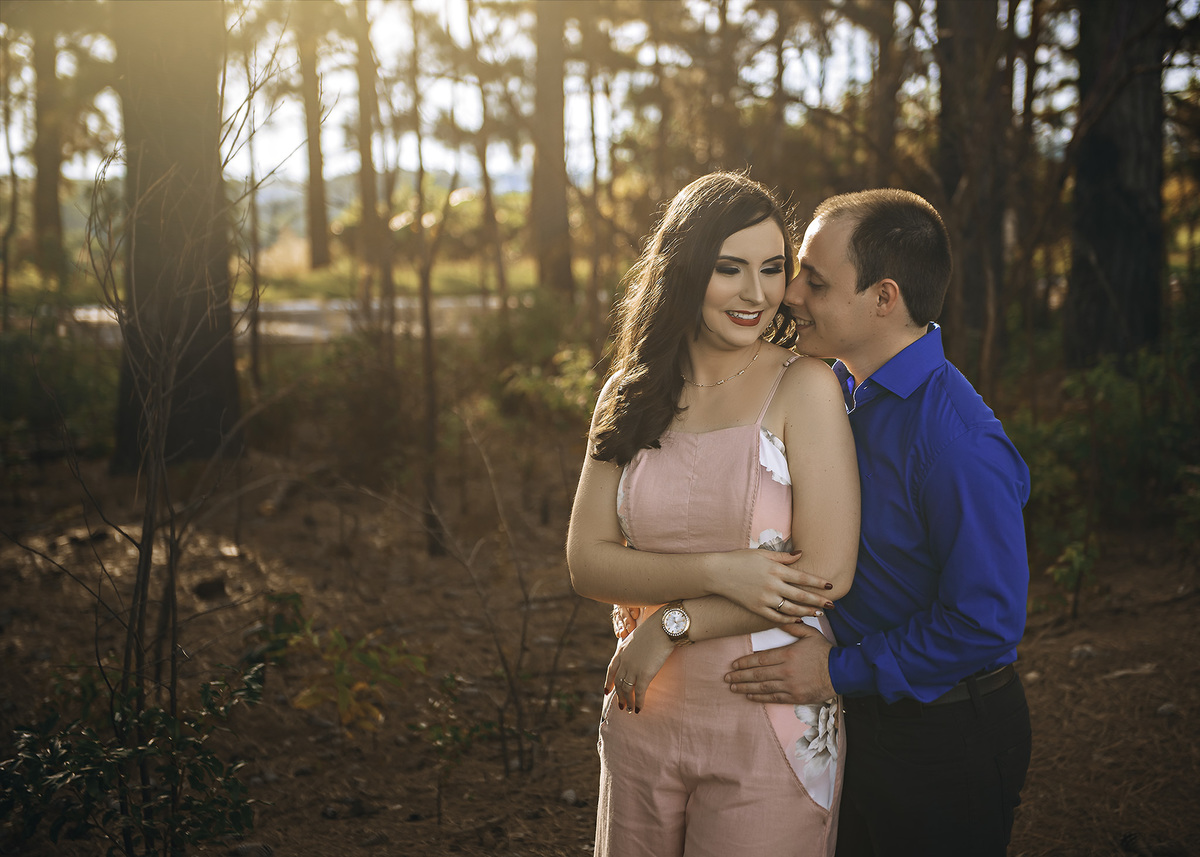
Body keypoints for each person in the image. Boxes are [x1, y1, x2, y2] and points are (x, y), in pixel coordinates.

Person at [724, 188, 1033, 857]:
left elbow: (986, 621)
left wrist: (837, 671)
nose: (791, 294)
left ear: (883, 298)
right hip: (856, 720)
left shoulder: (957, 443)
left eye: (816, 282)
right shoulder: (830, 389)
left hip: (943, 737)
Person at [566, 171, 860, 857]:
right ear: (685, 270)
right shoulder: (630, 392)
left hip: (770, 721)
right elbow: (587, 560)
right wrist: (720, 571)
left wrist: (672, 623)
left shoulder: (804, 386)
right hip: (643, 716)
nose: (757, 293)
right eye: (730, 269)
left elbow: (825, 573)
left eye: (772, 268)